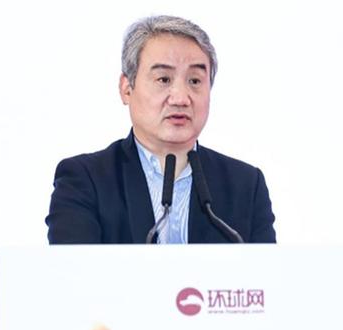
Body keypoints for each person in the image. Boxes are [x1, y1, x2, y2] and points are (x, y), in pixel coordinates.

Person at [46, 15, 276, 244]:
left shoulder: (246, 185)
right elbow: (73, 267)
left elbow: (266, 268)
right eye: (164, 79)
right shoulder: (85, 181)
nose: (180, 98)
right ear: (126, 89)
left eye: (195, 81)